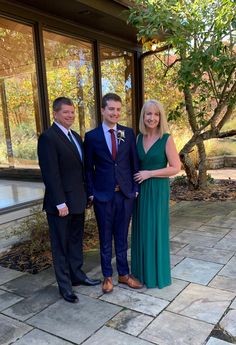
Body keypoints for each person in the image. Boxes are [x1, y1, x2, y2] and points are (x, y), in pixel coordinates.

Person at [37, 97, 100, 303]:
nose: (70, 115)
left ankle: (77, 276)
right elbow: (50, 173)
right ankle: (65, 287)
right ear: (55, 113)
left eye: (72, 112)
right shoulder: (48, 138)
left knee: (75, 242)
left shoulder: (75, 136)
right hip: (61, 205)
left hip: (78, 201)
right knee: (61, 246)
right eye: (66, 112)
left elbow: (81, 170)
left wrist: (88, 193)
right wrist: (59, 202)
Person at [84, 93, 143, 293]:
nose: (115, 113)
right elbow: (88, 169)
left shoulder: (127, 133)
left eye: (118, 109)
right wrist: (91, 194)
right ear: (102, 110)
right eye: (111, 109)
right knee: (105, 237)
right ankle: (107, 276)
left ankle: (124, 275)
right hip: (102, 197)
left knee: (122, 236)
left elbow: (134, 164)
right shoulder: (92, 137)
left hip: (125, 196)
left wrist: (135, 190)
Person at [131, 99, 181, 289]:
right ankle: (140, 272)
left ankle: (155, 274)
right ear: (143, 116)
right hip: (140, 190)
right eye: (148, 114)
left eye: (156, 114)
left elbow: (176, 167)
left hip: (157, 189)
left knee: (155, 229)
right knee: (141, 228)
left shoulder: (166, 138)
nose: (152, 118)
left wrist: (150, 173)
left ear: (161, 117)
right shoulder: (138, 138)